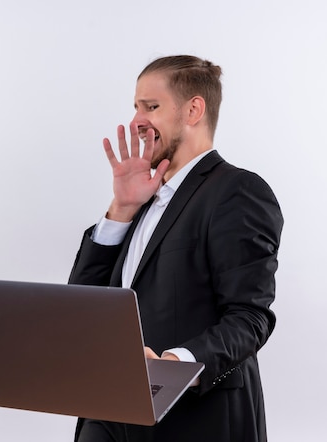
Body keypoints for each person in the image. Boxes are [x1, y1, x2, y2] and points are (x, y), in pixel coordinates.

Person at [68, 55, 283, 442]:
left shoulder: (236, 192)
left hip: (194, 419)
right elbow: (82, 305)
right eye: (136, 106)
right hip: (110, 411)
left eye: (151, 106)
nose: (137, 120)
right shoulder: (142, 199)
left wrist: (172, 367)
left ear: (193, 110)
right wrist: (121, 209)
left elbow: (250, 317)